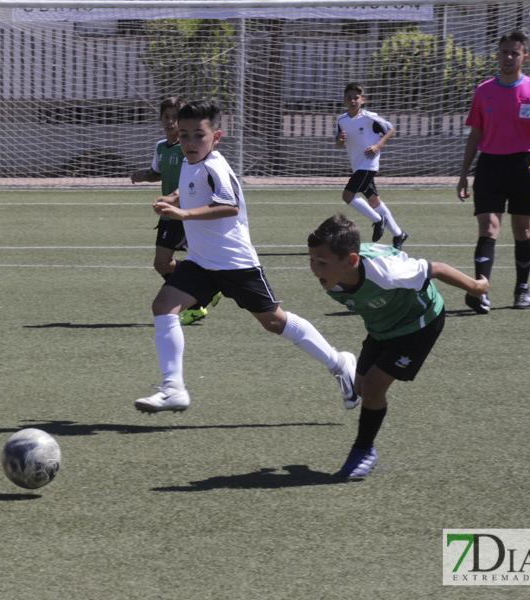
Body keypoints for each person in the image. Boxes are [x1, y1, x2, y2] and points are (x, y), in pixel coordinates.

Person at [134, 99, 358, 414]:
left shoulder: (215, 165)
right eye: (183, 135)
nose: (190, 142)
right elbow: (192, 187)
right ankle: (173, 388)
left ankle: (339, 362)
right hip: (201, 262)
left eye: (198, 134)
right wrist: (172, 196)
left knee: (273, 321)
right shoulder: (190, 162)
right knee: (164, 306)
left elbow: (229, 206)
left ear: (217, 136)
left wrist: (182, 213)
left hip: (235, 263)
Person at [307, 214, 489, 477]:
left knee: (371, 388)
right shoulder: (334, 280)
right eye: (311, 260)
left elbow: (435, 269)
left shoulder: (387, 271)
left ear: (351, 261)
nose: (314, 269)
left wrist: (475, 287)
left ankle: (363, 450)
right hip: (381, 329)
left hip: (419, 325)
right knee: (360, 388)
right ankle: (350, 369)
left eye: (322, 262)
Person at [457, 30, 530, 313]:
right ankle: (480, 290)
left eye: (515, 53)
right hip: (490, 165)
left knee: (521, 229)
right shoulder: (483, 90)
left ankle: (522, 288)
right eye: (505, 52)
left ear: (524, 57)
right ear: (498, 54)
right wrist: (464, 173)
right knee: (488, 227)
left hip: (525, 165)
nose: (509, 57)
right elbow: (475, 134)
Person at [131, 96, 221, 326]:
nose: (171, 122)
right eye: (166, 117)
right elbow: (158, 172)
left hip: (185, 211)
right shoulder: (161, 146)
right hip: (169, 212)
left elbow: (195, 177)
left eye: (175, 117)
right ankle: (206, 286)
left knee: (162, 262)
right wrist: (143, 176)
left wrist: (174, 197)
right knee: (163, 263)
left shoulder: (190, 148)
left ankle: (201, 295)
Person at [335, 82, 408, 249]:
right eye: (349, 98)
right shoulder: (342, 120)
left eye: (356, 98)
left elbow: (390, 129)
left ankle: (377, 219)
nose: (353, 101)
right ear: (344, 101)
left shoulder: (369, 117)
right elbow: (339, 143)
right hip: (357, 164)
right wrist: (340, 141)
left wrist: (377, 146)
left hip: (369, 164)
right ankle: (398, 234)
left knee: (347, 195)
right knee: (374, 200)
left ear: (363, 100)